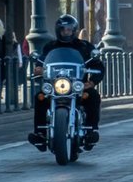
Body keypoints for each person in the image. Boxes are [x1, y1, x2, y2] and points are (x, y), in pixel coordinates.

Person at [27, 14, 104, 151]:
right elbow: (42, 61)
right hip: (55, 85)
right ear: (59, 30)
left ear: (74, 30)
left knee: (93, 96)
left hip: (78, 86)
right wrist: (38, 69)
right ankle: (40, 133)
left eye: (69, 29)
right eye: (63, 29)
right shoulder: (50, 46)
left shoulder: (84, 46)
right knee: (40, 97)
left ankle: (91, 131)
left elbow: (98, 65)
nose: (66, 32)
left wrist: (92, 82)